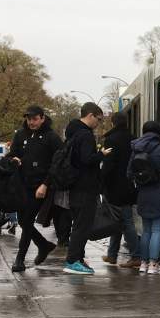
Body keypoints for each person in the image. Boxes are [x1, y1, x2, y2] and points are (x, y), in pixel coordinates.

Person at [7, 105, 63, 272]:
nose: (31, 122)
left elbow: (58, 161)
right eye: (29, 119)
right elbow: (12, 153)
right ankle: (43, 245)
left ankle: (20, 259)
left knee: (27, 220)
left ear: (42, 118)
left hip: (40, 186)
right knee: (23, 221)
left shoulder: (51, 137)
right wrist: (14, 158)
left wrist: (46, 184)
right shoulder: (20, 134)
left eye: (35, 119)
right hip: (22, 184)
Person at [62, 102, 110, 275]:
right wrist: (101, 155)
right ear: (90, 115)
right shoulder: (86, 135)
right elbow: (86, 160)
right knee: (82, 226)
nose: (99, 123)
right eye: (98, 119)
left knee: (78, 225)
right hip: (85, 187)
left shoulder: (72, 133)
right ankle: (73, 261)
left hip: (75, 186)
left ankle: (78, 259)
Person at [129, 120, 160, 275]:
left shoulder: (136, 150)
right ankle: (153, 264)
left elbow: (129, 173)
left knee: (146, 231)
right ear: (159, 134)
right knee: (157, 230)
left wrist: (141, 180)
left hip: (143, 194)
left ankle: (143, 263)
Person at [100, 111, 140, 268]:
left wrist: (101, 182)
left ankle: (136, 256)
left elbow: (108, 165)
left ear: (113, 123)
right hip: (130, 186)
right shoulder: (133, 139)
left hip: (115, 187)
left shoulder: (111, 140)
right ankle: (112, 254)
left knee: (125, 222)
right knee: (117, 221)